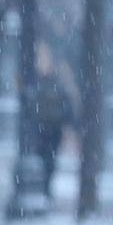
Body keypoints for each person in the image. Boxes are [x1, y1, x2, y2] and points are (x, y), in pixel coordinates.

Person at [33, 71, 75, 201]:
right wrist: (71, 124)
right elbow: (68, 109)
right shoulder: (60, 90)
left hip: (42, 129)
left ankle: (42, 186)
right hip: (55, 129)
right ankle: (47, 186)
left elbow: (32, 109)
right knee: (50, 159)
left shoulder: (39, 89)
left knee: (41, 158)